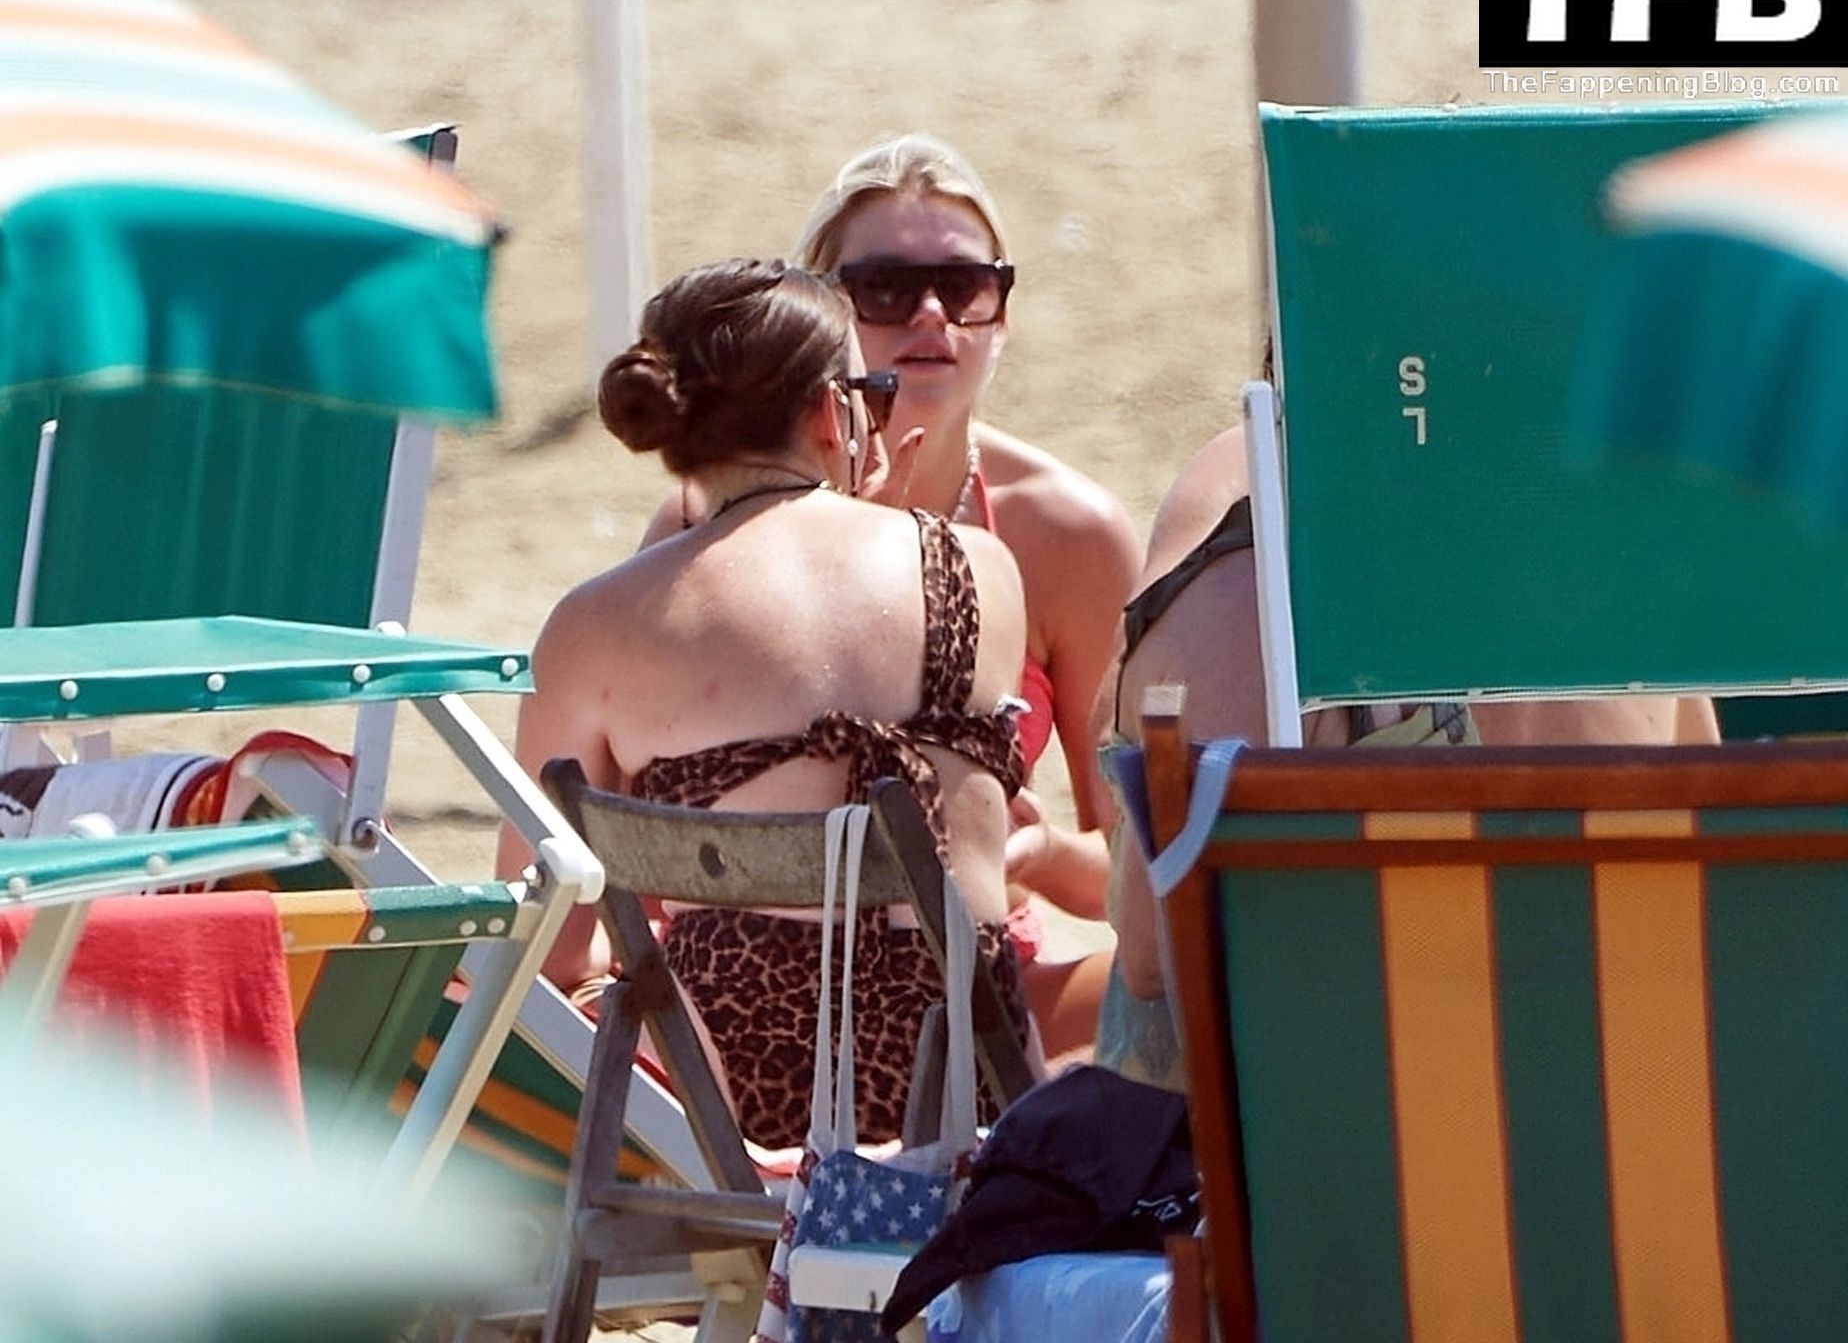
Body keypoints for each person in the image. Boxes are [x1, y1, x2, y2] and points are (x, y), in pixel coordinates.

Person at [497, 256, 1032, 1152]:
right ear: (831, 411)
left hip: (723, 1135)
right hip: (963, 1107)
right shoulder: (975, 569)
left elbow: (547, 942)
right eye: (872, 396)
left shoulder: (594, 626)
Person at [1097, 423, 1721, 1080]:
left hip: (1331, 1123)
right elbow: (1713, 873)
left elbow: (1153, 957)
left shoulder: (1255, 552)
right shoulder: (1633, 558)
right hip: (1619, 1102)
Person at [788, 135, 1143, 1059]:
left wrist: (1042, 855)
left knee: (1212, 985)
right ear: (819, 311)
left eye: (966, 286)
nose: (932, 314)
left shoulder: (1067, 536)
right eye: (885, 288)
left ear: (1002, 315)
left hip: (982, 998)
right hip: (760, 986)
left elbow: (1146, 865)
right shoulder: (729, 510)